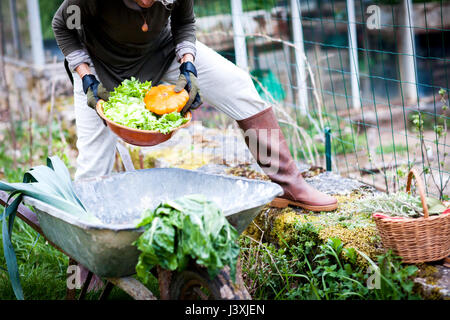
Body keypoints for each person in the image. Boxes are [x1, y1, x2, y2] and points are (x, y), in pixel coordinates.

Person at [52, 0, 337, 212]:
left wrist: (188, 65)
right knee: (92, 165)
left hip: (163, 54)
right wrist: (86, 76)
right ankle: (89, 256)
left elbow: (184, 22)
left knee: (240, 88)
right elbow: (62, 26)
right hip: (101, 70)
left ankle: (289, 186)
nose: (150, 4)